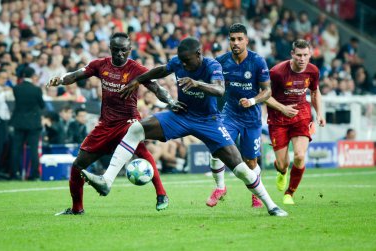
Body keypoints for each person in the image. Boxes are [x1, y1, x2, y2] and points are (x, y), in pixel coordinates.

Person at [82, 37, 287, 217]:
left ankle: (271, 206)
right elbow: (161, 70)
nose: (184, 66)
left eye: (187, 61)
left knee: (241, 168)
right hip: (182, 115)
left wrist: (197, 84)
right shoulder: (178, 62)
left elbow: (219, 89)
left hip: (209, 121)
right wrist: (137, 80)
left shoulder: (211, 66)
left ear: (199, 54)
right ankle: (107, 181)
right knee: (136, 129)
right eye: (181, 61)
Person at [47, 32, 169, 215]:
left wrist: (171, 101)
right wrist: (61, 80)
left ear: (130, 50)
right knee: (77, 166)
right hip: (105, 125)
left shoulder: (136, 69)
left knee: (142, 151)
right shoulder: (100, 65)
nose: (120, 54)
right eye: (116, 50)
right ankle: (76, 209)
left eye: (124, 50)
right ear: (111, 49)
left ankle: (161, 194)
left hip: (128, 121)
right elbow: (76, 75)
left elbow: (156, 88)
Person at [206, 23, 271, 208]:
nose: (236, 43)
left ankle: (256, 193)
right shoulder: (221, 61)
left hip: (251, 118)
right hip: (230, 115)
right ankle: (220, 187)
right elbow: (213, 86)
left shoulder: (257, 61)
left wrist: (252, 101)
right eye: (232, 39)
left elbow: (267, 91)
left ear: (246, 40)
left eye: (239, 39)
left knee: (251, 162)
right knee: (217, 149)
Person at [266, 39, 326, 205]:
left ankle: (289, 193)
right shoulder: (277, 72)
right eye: (298, 55)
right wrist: (282, 108)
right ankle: (282, 171)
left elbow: (315, 92)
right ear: (292, 54)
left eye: (305, 55)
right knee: (283, 164)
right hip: (278, 118)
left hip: (301, 115)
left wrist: (319, 113)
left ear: (310, 55)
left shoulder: (313, 71)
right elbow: (264, 95)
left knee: (299, 156)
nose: (302, 58)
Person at [10, 66, 45, 180]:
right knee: (34, 149)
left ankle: (14, 173)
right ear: (33, 76)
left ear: (23, 76)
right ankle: (34, 174)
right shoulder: (36, 89)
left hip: (19, 122)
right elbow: (42, 105)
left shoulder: (16, 88)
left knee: (16, 148)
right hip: (33, 123)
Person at [0, 70, 11, 180]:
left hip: (3, 121)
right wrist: (4, 93)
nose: (5, 80)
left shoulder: (1, 89)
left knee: (2, 147)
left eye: (6, 78)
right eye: (3, 78)